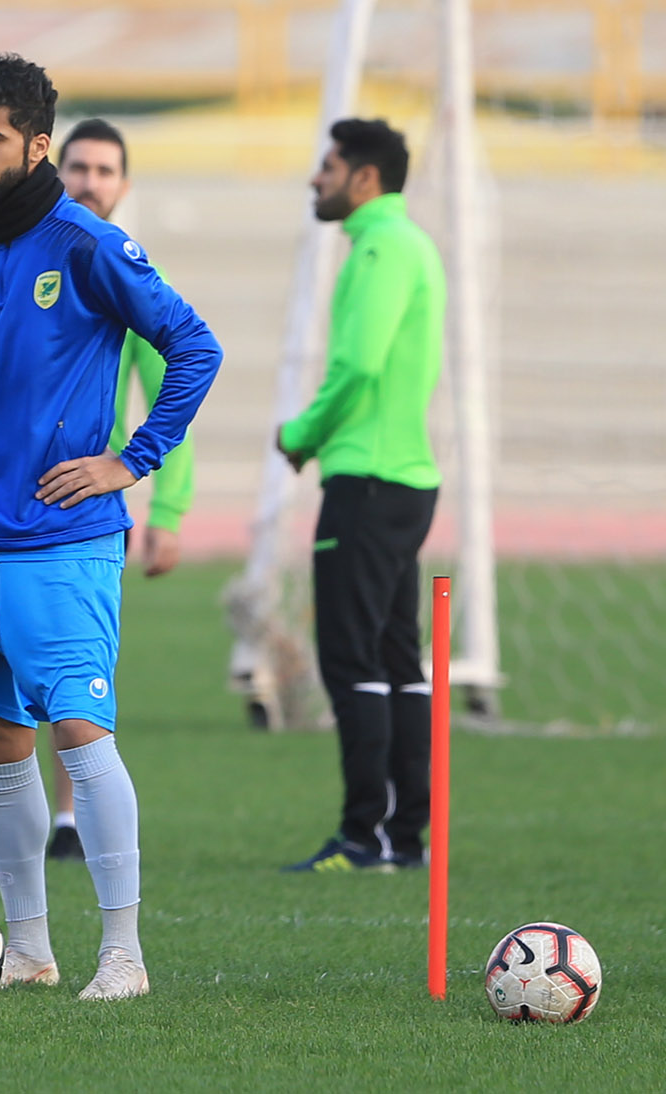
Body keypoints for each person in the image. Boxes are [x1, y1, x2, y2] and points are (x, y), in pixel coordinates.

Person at [0, 55, 222, 999]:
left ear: (39, 144)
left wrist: (133, 461)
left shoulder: (89, 244)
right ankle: (31, 951)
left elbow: (194, 345)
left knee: (79, 727)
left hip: (70, 535)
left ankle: (124, 952)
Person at [0, 118, 197, 864]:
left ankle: (93, 882)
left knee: (74, 709)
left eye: (107, 171)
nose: (92, 181)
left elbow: (175, 370)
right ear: (53, 165)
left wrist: (143, 477)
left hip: (71, 518)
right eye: (82, 168)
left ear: (123, 185)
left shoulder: (106, 260)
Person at [277, 119, 444, 874]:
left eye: (330, 165)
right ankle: (406, 836)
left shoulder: (378, 248)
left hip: (367, 478)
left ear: (365, 178)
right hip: (409, 479)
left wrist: (301, 432)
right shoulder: (413, 245)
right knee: (398, 657)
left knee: (353, 659)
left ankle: (364, 837)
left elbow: (357, 366)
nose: (318, 178)